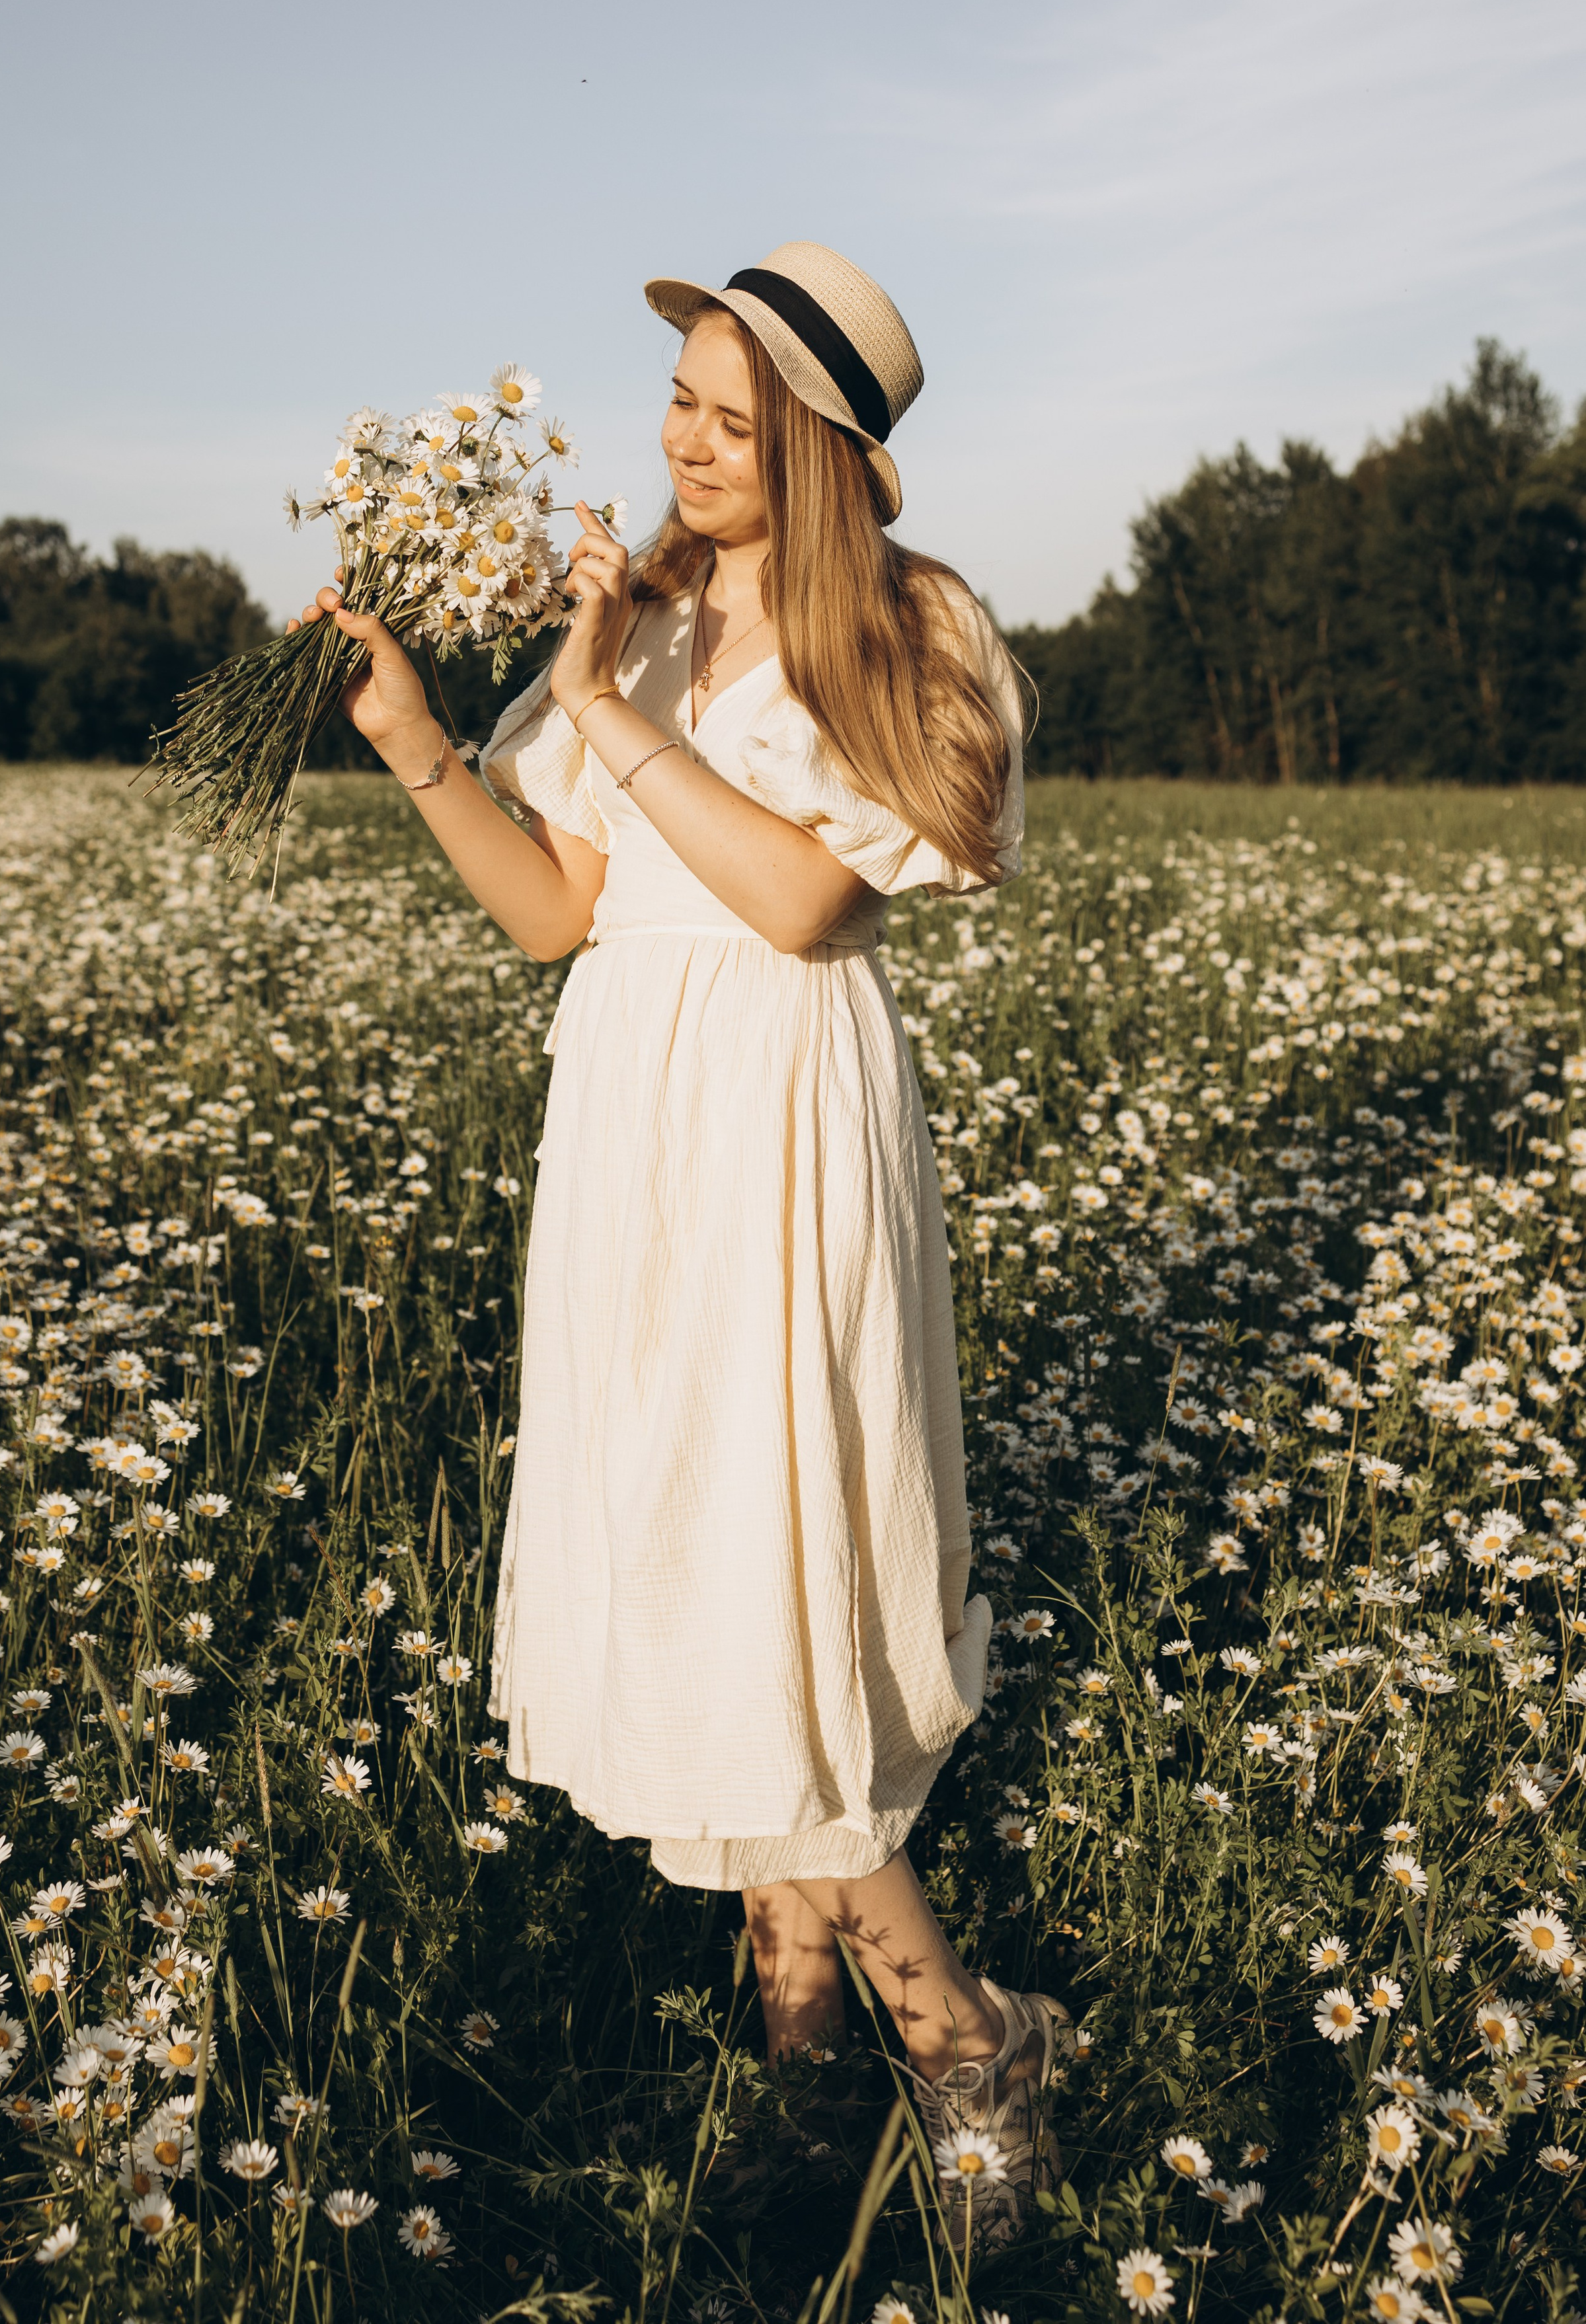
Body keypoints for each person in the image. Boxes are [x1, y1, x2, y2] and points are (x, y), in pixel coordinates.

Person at [288, 242, 1064, 2252]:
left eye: (729, 418)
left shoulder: (906, 627)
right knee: (703, 1557)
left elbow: (804, 904)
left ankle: (959, 2037)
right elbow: (562, 915)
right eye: (679, 406)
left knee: (784, 1558)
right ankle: (807, 2051)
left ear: (820, 447)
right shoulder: (637, 625)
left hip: (782, 1125)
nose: (682, 445)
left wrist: (596, 705)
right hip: (632, 1119)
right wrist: (419, 744)